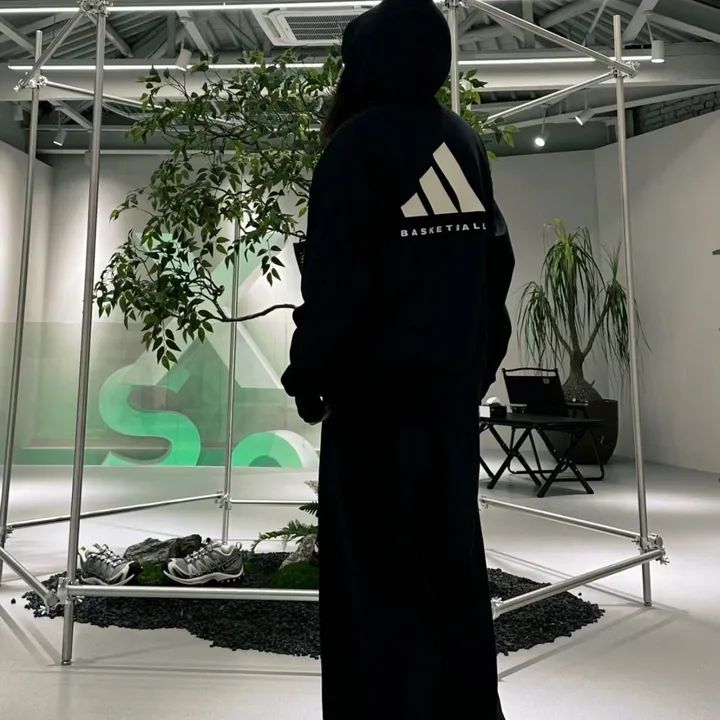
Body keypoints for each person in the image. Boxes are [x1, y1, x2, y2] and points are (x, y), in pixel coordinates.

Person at [281, 0, 515, 717]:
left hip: (375, 414)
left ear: (364, 63)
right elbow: (496, 267)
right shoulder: (462, 141)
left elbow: (336, 282)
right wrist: (470, 371)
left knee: (375, 588)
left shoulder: (356, 146)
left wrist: (310, 375)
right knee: (451, 579)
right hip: (447, 412)